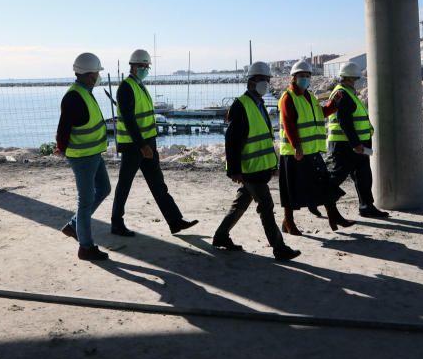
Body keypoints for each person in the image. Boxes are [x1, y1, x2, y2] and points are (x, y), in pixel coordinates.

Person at [212, 61, 300, 261]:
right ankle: (279, 247)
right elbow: (232, 141)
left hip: (259, 168)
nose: (266, 84)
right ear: (252, 82)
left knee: (240, 204)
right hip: (249, 169)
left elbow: (264, 138)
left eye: (267, 80)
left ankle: (220, 235)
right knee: (266, 207)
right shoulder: (241, 105)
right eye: (263, 80)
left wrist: (271, 165)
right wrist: (233, 170)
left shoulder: (259, 104)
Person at [110, 49, 198, 237]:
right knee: (124, 185)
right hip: (134, 146)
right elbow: (130, 120)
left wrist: (148, 144)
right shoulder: (126, 88)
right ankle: (116, 223)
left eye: (147, 67)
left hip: (147, 144)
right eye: (144, 66)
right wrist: (142, 145)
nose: (146, 69)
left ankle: (175, 221)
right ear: (134, 66)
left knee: (158, 184)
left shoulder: (139, 86)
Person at [277, 60, 355, 236]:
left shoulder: (309, 96)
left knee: (325, 184)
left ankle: (334, 215)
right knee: (291, 190)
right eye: (301, 76)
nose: (305, 79)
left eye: (307, 76)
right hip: (294, 153)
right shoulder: (288, 97)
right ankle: (288, 221)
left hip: (311, 151)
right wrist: (296, 146)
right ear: (293, 77)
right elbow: (288, 123)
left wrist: (333, 105)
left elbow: (320, 114)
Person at [54, 52, 112, 261]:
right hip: (82, 157)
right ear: (89, 75)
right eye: (96, 73)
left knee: (104, 189)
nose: (98, 77)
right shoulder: (74, 96)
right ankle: (85, 247)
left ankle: (74, 225)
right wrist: (61, 147)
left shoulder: (84, 92)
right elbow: (63, 128)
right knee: (85, 201)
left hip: (93, 153)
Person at [325, 62, 389, 219]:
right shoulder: (342, 94)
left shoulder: (349, 92)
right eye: (356, 78)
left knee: (364, 177)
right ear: (349, 78)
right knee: (336, 177)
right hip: (346, 146)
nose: (358, 81)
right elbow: (344, 122)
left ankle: (367, 206)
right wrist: (356, 144)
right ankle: (317, 198)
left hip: (356, 145)